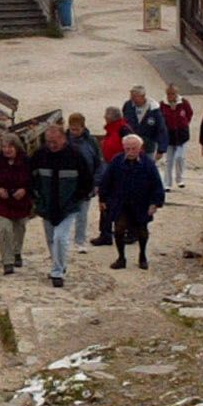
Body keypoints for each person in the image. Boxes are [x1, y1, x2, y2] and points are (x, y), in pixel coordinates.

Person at [28, 121, 92, 289]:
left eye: (55, 141)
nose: (52, 145)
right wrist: (35, 197)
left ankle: (57, 272)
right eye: (48, 141)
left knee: (60, 237)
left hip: (68, 205)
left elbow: (86, 180)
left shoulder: (76, 156)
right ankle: (59, 264)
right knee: (50, 239)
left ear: (64, 139)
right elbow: (30, 178)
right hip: (46, 204)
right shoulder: (40, 155)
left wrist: (78, 197)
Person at [99, 134, 166, 270]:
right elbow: (106, 181)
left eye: (133, 149)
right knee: (118, 229)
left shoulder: (148, 164)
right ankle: (121, 258)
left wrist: (155, 203)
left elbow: (157, 185)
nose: (130, 152)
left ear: (140, 148)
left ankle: (142, 256)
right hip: (120, 202)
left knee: (142, 231)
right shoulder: (117, 161)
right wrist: (102, 199)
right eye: (127, 149)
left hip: (141, 203)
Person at [0, 133, 34, 274]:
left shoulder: (27, 161)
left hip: (21, 202)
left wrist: (25, 189)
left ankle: (17, 252)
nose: (7, 150)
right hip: (2, 202)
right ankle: (7, 261)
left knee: (19, 228)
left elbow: (34, 180)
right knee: (4, 229)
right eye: (4, 147)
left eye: (10, 146)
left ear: (17, 147)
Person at [65, 111, 103, 253]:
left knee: (82, 213)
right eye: (72, 129)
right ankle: (64, 239)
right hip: (67, 183)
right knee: (66, 213)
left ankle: (80, 241)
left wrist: (97, 182)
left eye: (77, 129)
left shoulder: (91, 141)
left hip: (86, 182)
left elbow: (98, 162)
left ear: (83, 127)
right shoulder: (64, 140)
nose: (74, 132)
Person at [90, 106, 126, 246]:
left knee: (115, 202)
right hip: (110, 168)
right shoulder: (114, 128)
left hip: (118, 170)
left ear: (109, 118)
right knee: (105, 200)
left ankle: (116, 233)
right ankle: (105, 234)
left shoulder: (122, 129)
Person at [160, 84, 195, 191]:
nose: (171, 96)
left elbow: (189, 113)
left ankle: (179, 179)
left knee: (179, 157)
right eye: (169, 94)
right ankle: (167, 183)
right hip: (169, 135)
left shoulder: (184, 102)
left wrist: (184, 124)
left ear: (176, 93)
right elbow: (160, 117)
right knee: (169, 160)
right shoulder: (162, 104)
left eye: (173, 94)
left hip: (181, 135)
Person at [121, 87, 167, 166]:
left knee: (147, 167)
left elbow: (161, 129)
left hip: (148, 145)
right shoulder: (128, 105)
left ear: (143, 96)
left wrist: (161, 150)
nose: (132, 99)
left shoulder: (154, 109)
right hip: (131, 146)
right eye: (131, 96)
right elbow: (123, 122)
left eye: (135, 96)